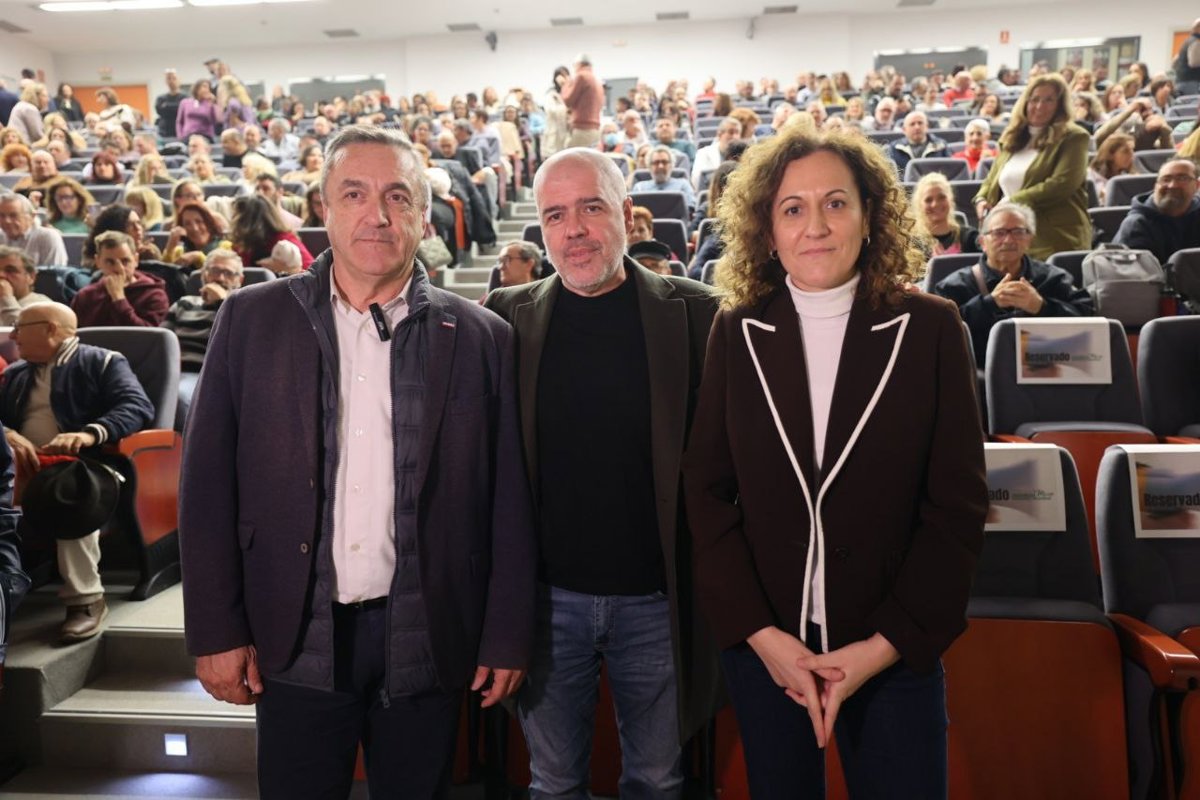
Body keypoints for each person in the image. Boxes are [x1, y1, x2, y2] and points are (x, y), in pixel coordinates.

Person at [180, 124, 536, 798]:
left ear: (424, 215)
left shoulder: (483, 336)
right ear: (324, 208)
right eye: (355, 194)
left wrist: (506, 633)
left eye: (398, 196)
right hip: (293, 633)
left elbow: (509, 501)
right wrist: (216, 629)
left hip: (429, 634)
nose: (378, 215)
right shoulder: (251, 321)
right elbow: (206, 491)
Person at [682, 126, 987, 798]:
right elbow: (706, 493)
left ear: (870, 216)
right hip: (770, 651)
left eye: (836, 203)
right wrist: (764, 637)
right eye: (792, 208)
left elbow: (957, 510)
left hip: (892, 647)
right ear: (767, 230)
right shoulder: (736, 330)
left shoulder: (932, 328)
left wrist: (879, 650)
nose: (815, 226)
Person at [484, 147, 721, 799]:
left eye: (591, 207)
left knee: (657, 781)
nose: (575, 230)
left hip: (660, 601)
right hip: (546, 604)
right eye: (555, 215)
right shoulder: (506, 315)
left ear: (626, 212)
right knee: (553, 783)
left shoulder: (698, 312)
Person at [0, 301, 154, 641]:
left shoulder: (102, 361)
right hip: (21, 465)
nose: (12, 336)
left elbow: (136, 406)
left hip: (83, 464)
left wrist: (88, 434)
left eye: (20, 327)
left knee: (69, 493)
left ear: (50, 329)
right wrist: (6, 433)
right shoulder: (16, 374)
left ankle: (86, 600)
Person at [933, 202, 1094, 366]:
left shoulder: (1053, 278)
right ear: (982, 242)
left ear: (1030, 239)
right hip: (979, 376)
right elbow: (939, 334)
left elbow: (1089, 323)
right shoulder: (955, 286)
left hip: (1048, 371)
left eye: (1018, 232)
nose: (1009, 240)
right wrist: (988, 304)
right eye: (999, 233)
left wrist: (1042, 307)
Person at [973, 74, 1092, 259]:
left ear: (1060, 105)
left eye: (1048, 100)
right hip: (1011, 236)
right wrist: (981, 198)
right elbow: (993, 177)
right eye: (1035, 99)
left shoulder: (1074, 137)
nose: (1039, 106)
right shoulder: (1012, 135)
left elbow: (1062, 184)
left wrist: (1012, 202)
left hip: (1055, 237)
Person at [162, 247, 242, 410]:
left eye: (228, 273)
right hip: (172, 370)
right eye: (214, 271)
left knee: (178, 396)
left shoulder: (242, 309)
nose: (219, 278)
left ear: (239, 280)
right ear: (204, 275)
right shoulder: (184, 303)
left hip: (209, 376)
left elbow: (240, 345)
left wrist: (222, 302)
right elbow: (162, 342)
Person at [71, 231, 170, 327]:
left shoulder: (154, 296)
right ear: (98, 262)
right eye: (110, 262)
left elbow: (146, 335)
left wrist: (119, 299)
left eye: (125, 261)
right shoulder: (85, 296)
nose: (119, 269)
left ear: (136, 260)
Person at [1113, 158, 1200, 264]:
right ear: (1156, 186)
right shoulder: (1136, 225)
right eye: (1166, 179)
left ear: (1197, 185)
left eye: (1182, 178)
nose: (1172, 185)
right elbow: (1134, 272)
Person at [228, 195, 313, 270]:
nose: (232, 220)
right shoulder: (242, 245)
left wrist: (289, 270)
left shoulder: (284, 242)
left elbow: (312, 274)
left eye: (235, 215)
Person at [911, 172, 980, 256]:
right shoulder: (913, 243)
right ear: (919, 205)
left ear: (950, 199)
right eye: (928, 200)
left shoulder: (970, 238)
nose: (935, 204)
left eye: (941, 197)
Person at [0, 193, 66, 266]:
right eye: (2, 216)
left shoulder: (47, 237)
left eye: (13, 215)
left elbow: (54, 271)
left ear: (32, 216)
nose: (7, 221)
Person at [632, 145, 697, 209]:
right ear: (649, 166)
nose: (660, 166)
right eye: (656, 162)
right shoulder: (639, 188)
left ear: (671, 165)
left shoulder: (683, 185)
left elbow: (691, 209)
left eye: (664, 162)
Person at [883, 111, 947, 175]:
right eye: (912, 124)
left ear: (927, 126)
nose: (917, 127)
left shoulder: (941, 146)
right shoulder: (894, 148)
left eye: (920, 123)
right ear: (904, 129)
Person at [0, 246, 51, 325]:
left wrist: (6, 298)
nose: (1, 275)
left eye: (10, 270)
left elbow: (21, 330)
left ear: (31, 277)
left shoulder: (42, 306)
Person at [561, 54, 603, 148]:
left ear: (579, 64)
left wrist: (565, 84)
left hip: (582, 129)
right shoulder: (597, 80)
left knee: (571, 156)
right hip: (595, 129)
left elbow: (568, 100)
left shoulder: (581, 76)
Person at [1088, 133, 1136, 205]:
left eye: (1132, 150)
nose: (1132, 155)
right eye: (1125, 151)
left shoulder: (1131, 177)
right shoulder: (1090, 176)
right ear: (1110, 155)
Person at [156, 70, 186, 140]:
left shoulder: (185, 98)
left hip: (181, 133)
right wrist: (177, 106)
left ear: (179, 80)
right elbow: (160, 112)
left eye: (174, 78)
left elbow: (184, 111)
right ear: (165, 81)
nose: (171, 81)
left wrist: (166, 106)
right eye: (169, 78)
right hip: (164, 133)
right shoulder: (160, 98)